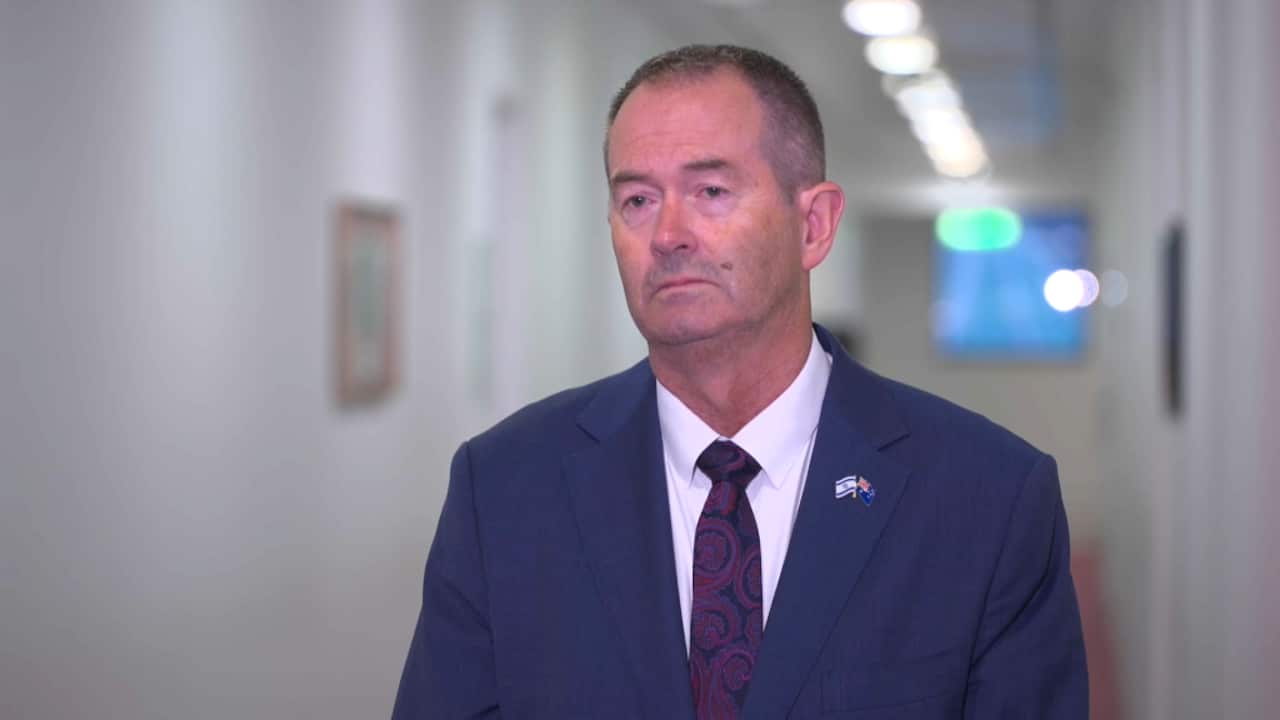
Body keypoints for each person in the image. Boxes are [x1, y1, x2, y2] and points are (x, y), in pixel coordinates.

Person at [392, 44, 1087, 719]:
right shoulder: (505, 488)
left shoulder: (987, 498)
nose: (668, 234)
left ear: (813, 225)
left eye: (711, 191)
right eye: (637, 200)